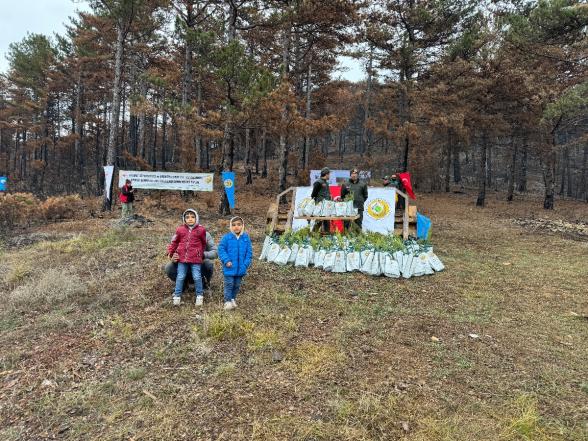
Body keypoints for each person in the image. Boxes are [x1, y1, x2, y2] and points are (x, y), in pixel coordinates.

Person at [166, 208, 207, 306]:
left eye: (193, 217)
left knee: (197, 276)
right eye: (187, 217)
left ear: (196, 218)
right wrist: (170, 253)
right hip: (182, 258)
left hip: (195, 259)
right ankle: (177, 296)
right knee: (180, 276)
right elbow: (174, 242)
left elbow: (203, 243)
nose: (190, 219)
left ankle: (199, 295)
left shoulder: (201, 230)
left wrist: (200, 253)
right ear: (184, 219)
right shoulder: (180, 229)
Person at [218, 216, 253, 311]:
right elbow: (221, 249)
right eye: (233, 225)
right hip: (229, 267)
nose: (236, 227)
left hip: (241, 268)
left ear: (242, 226)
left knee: (237, 285)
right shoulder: (227, 238)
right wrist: (226, 260)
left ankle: (233, 298)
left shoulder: (245, 238)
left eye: (238, 224)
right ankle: (227, 301)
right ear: (230, 226)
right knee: (229, 284)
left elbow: (249, 253)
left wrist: (245, 264)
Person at [311, 167, 332, 233]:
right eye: (329, 174)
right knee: (318, 222)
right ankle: (313, 236)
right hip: (320, 206)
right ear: (326, 174)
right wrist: (319, 202)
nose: (329, 175)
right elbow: (313, 195)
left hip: (326, 206)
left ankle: (327, 237)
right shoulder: (318, 182)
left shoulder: (326, 183)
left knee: (327, 222)